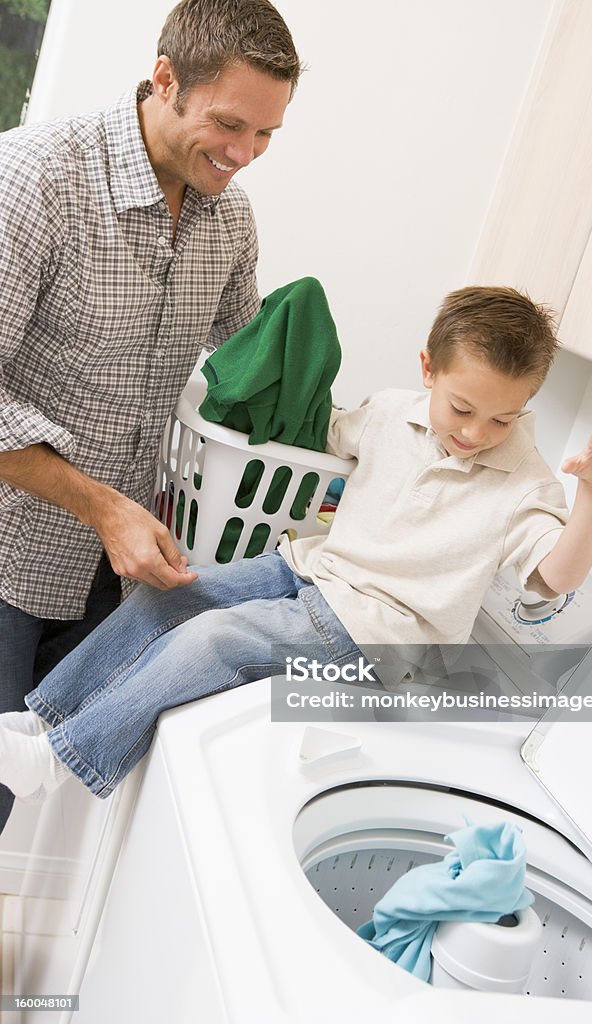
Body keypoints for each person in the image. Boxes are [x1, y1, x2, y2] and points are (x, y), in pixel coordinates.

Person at [0, 286, 592, 802]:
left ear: (526, 402)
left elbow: (557, 577)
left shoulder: (526, 481)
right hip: (306, 571)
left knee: (213, 639)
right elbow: (321, 434)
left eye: (502, 417)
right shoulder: (392, 410)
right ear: (428, 371)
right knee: (165, 595)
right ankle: (52, 718)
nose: (476, 432)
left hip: (376, 634)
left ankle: (61, 761)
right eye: (462, 408)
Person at [0, 0, 301, 828]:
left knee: (38, 784)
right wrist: (102, 507)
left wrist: (332, 459)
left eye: (266, 136)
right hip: (11, 549)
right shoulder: (33, 181)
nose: (243, 156)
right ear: (165, 78)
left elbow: (251, 368)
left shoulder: (227, 214)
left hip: (119, 566)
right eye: (229, 124)